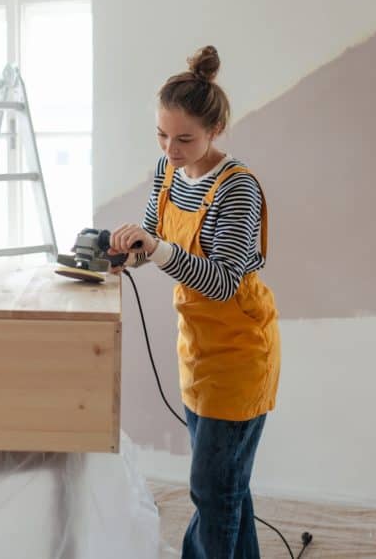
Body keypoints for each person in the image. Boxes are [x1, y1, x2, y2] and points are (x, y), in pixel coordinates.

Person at [108, 45, 281, 559]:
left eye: (184, 138)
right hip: (197, 349)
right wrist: (126, 253)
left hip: (240, 352)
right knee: (227, 484)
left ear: (216, 131)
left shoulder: (237, 189)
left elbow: (224, 281)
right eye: (162, 135)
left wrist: (156, 250)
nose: (170, 149)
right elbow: (155, 241)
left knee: (212, 488)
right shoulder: (167, 172)